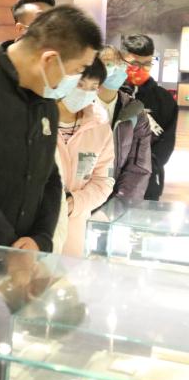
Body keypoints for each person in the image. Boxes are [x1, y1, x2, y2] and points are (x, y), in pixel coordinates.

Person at [0, 5, 102, 252]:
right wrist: (8, 245)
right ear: (49, 59)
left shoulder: (46, 96)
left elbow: (49, 175)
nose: (76, 79)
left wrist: (41, 238)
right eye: (78, 70)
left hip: (26, 254)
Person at [51, 58, 115, 256]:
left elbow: (103, 181)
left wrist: (75, 203)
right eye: (80, 84)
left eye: (93, 87)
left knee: (66, 273)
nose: (85, 92)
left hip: (74, 226)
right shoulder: (38, 119)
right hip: (35, 225)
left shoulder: (99, 126)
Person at [121, 34, 178, 200]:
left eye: (146, 64)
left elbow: (167, 141)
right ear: (122, 61)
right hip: (110, 174)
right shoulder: (111, 93)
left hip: (149, 177)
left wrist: (145, 166)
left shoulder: (164, 99)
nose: (140, 69)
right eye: (134, 64)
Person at [96, 45, 152, 202]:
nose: (116, 68)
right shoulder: (80, 107)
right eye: (108, 63)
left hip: (117, 199)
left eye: (120, 64)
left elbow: (139, 166)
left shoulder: (135, 112)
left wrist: (119, 204)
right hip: (80, 200)